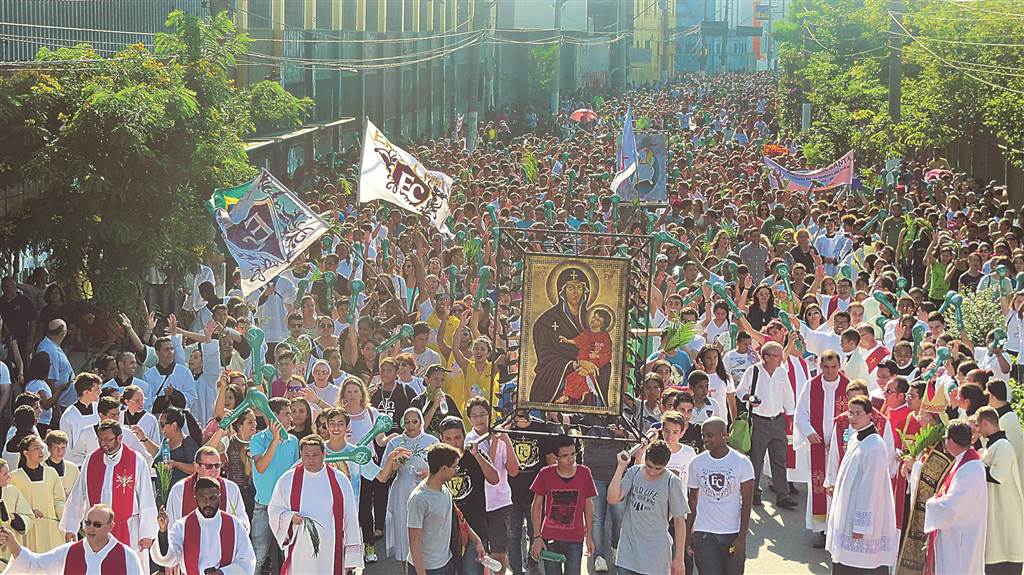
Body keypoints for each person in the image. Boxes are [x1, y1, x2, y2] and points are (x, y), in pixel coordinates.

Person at [823, 396, 898, 574]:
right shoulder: (856, 438)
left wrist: (861, 526)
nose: (853, 417)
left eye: (858, 413)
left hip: (863, 521)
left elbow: (870, 490)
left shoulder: (875, 446)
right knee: (843, 563)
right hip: (848, 510)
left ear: (870, 415)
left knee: (860, 566)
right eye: (851, 413)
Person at [268, 434, 362, 574]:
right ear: (301, 455)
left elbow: (350, 518)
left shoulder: (340, 480)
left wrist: (351, 558)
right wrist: (290, 517)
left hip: (331, 549)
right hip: (301, 549)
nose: (311, 460)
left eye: (315, 455)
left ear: (324, 454)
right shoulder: (287, 480)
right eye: (306, 455)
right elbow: (274, 510)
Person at [59, 420, 157, 552]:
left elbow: (146, 498)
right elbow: (78, 495)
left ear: (120, 437)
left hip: (128, 527)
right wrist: (71, 527)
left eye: (108, 439)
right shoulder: (91, 459)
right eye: (100, 439)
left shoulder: (136, 460)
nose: (103, 443)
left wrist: (147, 533)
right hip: (98, 530)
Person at [607, 440, 688, 575]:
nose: (652, 471)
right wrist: (621, 467)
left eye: (658, 469)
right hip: (628, 553)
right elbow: (612, 498)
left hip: (656, 556)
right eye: (649, 466)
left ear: (666, 465)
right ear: (646, 459)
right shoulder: (634, 472)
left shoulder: (672, 481)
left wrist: (679, 559)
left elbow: (680, 521)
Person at [686, 417, 754, 575]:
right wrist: (688, 535)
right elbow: (692, 502)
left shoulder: (742, 463)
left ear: (724, 435)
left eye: (710, 435)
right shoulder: (696, 463)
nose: (705, 440)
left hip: (732, 533)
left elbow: (747, 503)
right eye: (703, 436)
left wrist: (741, 538)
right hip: (704, 534)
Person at [794, 350, 850, 545]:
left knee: (839, 485)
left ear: (839, 366)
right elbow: (800, 413)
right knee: (819, 485)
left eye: (834, 367)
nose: (830, 371)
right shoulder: (811, 386)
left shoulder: (848, 386)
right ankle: (822, 530)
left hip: (841, 447)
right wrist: (809, 432)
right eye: (826, 367)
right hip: (817, 445)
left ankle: (839, 527)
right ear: (820, 366)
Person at [734, 341, 798, 508]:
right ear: (767, 357)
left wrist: (790, 416)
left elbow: (788, 394)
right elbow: (740, 391)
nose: (781, 359)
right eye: (778, 356)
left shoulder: (781, 372)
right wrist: (749, 398)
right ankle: (754, 493)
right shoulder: (753, 371)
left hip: (777, 421)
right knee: (756, 459)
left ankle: (783, 495)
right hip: (758, 421)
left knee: (780, 459)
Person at [407, 442, 486, 575]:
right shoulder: (419, 499)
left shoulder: (445, 490)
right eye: (454, 466)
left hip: (447, 563)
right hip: (427, 568)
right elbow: (414, 542)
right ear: (443, 469)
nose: (457, 470)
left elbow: (459, 518)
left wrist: (477, 541)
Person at [152, 476, 256, 575]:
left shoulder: (234, 525)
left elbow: (247, 560)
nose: (208, 503)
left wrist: (223, 572)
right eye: (202, 498)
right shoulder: (182, 526)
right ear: (195, 498)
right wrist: (163, 531)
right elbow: (171, 556)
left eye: (213, 498)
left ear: (220, 497)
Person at [0, 504, 147, 574]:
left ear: (110, 526)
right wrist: (13, 544)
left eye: (97, 524)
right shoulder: (69, 551)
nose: (90, 528)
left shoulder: (127, 556)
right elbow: (36, 564)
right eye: (87, 523)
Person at [924, 419, 988, 575]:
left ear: (951, 441)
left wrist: (931, 503)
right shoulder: (964, 462)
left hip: (961, 539)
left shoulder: (969, 468)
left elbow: (951, 508)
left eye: (946, 438)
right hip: (956, 534)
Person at [464, 397, 520, 574]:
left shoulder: (498, 435)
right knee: (480, 553)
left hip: (500, 503)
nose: (480, 419)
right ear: (469, 419)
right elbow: (490, 473)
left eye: (483, 414)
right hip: (479, 504)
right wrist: (495, 441)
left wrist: (506, 438)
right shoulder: (470, 440)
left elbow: (513, 470)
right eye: (475, 416)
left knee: (499, 552)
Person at [438, 416, 499, 575]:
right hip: (446, 531)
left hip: (476, 528)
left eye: (457, 438)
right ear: (441, 439)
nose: (453, 443)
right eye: (448, 438)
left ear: (464, 437)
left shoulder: (474, 454)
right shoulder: (436, 460)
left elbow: (494, 479)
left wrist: (477, 455)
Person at [377, 407, 438, 565]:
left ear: (421, 422)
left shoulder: (432, 441)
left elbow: (442, 468)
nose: (411, 425)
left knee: (427, 530)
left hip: (426, 489)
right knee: (404, 530)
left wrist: (430, 472)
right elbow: (384, 472)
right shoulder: (395, 442)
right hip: (402, 489)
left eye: (414, 421)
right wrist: (394, 465)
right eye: (407, 422)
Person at [529, 434, 596, 575]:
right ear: (555, 457)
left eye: (573, 454)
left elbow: (588, 505)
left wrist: (589, 535)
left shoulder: (585, 473)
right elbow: (536, 505)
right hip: (550, 537)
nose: (570, 459)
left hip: (575, 539)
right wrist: (537, 536)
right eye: (565, 455)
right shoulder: (545, 473)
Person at [249, 396, 299, 573]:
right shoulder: (257, 439)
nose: (291, 418)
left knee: (288, 555)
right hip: (263, 506)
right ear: (274, 417)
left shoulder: (294, 441)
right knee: (258, 555)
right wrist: (275, 441)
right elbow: (261, 467)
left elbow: (295, 472)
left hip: (286, 508)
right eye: (286, 414)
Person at [976, 406, 1024, 575]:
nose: (978, 430)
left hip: (1005, 511)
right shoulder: (993, 445)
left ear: (986, 423)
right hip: (996, 509)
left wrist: (974, 465)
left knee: (1005, 553)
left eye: (979, 425)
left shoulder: (1003, 446)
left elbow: (997, 476)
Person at [164, 445, 249, 531]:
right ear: (197, 467)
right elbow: (172, 525)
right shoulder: (179, 490)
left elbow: (242, 521)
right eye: (209, 466)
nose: (214, 470)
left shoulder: (231, 489)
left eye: (217, 465)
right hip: (191, 542)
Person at [9, 435, 65, 552]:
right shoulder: (14, 477)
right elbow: (11, 505)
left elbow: (59, 500)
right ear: (26, 453)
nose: (41, 451)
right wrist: (28, 512)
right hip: (28, 530)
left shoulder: (51, 472)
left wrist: (64, 522)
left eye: (41, 447)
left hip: (51, 528)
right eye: (36, 448)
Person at [54, 373, 102, 460]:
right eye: (97, 389)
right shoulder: (69, 415)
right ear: (86, 392)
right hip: (78, 462)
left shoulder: (99, 409)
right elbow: (66, 444)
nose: (100, 392)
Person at [43, 430, 79, 499]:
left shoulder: (73, 468)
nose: (60, 451)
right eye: (56, 447)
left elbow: (78, 491)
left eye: (63, 448)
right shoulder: (42, 468)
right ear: (49, 448)